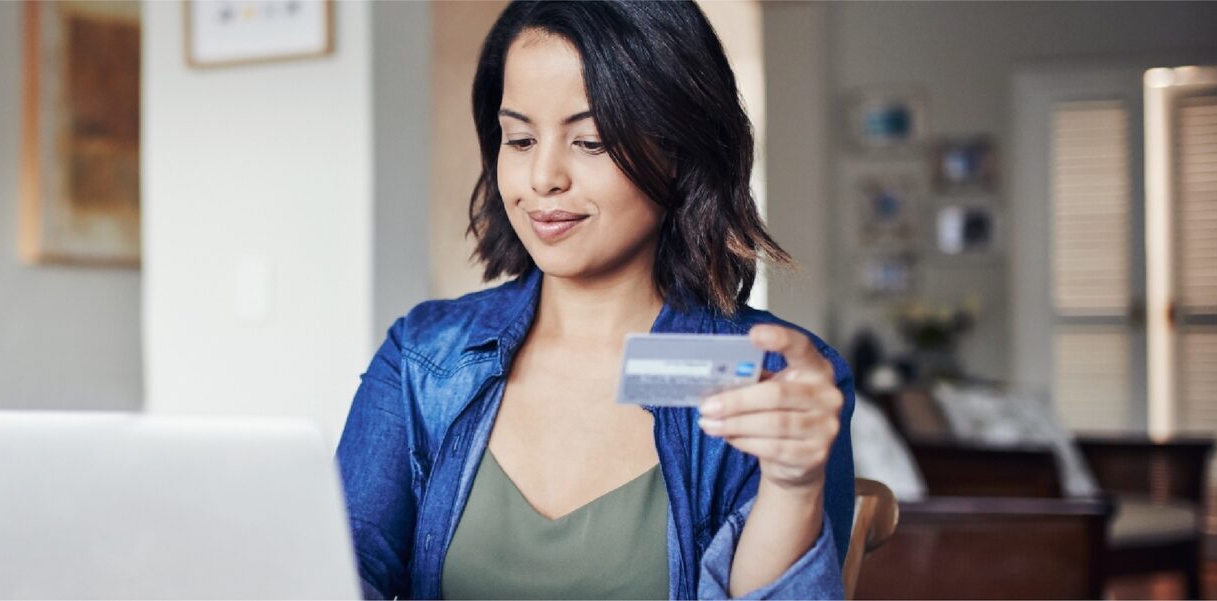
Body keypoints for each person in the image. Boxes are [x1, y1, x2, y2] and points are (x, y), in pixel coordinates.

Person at [335, 1, 855, 599]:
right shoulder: (425, 357)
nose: (543, 178)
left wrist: (793, 486)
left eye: (590, 141)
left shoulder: (770, 383)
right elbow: (344, 569)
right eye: (521, 138)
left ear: (679, 147)